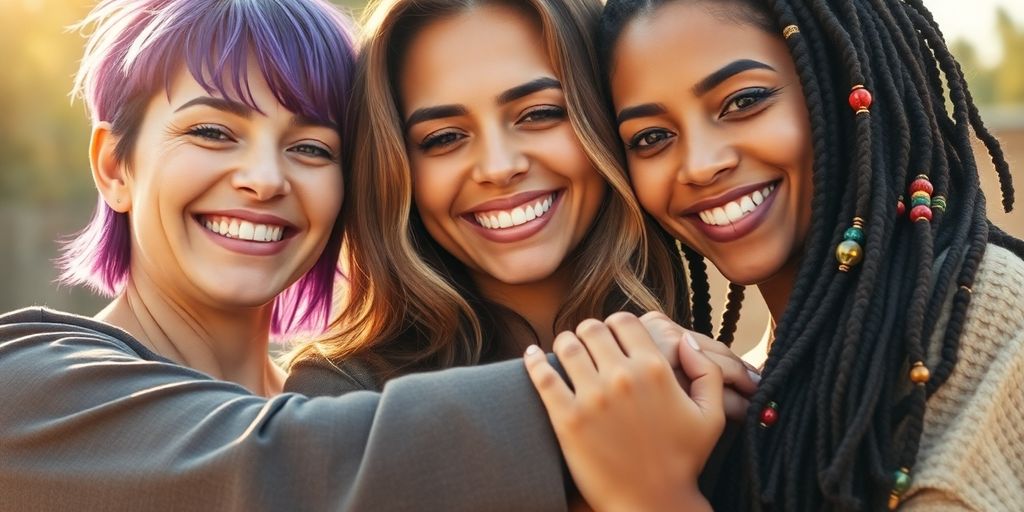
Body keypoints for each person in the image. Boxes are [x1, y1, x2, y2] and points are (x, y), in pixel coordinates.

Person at [3, 1, 586, 509]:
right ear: (114, 166)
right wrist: (620, 381)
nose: (265, 180)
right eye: (212, 132)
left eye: (310, 147)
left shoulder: (343, 400)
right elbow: (276, 467)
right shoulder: (26, 387)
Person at [284, 0, 757, 509]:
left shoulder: (712, 367)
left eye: (539, 114)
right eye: (443, 138)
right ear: (396, 168)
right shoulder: (342, 402)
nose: (498, 166)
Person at [597, 0, 1024, 509]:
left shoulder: (993, 322)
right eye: (651, 137)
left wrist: (655, 498)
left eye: (743, 101)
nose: (700, 165)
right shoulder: (748, 383)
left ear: (848, 82)